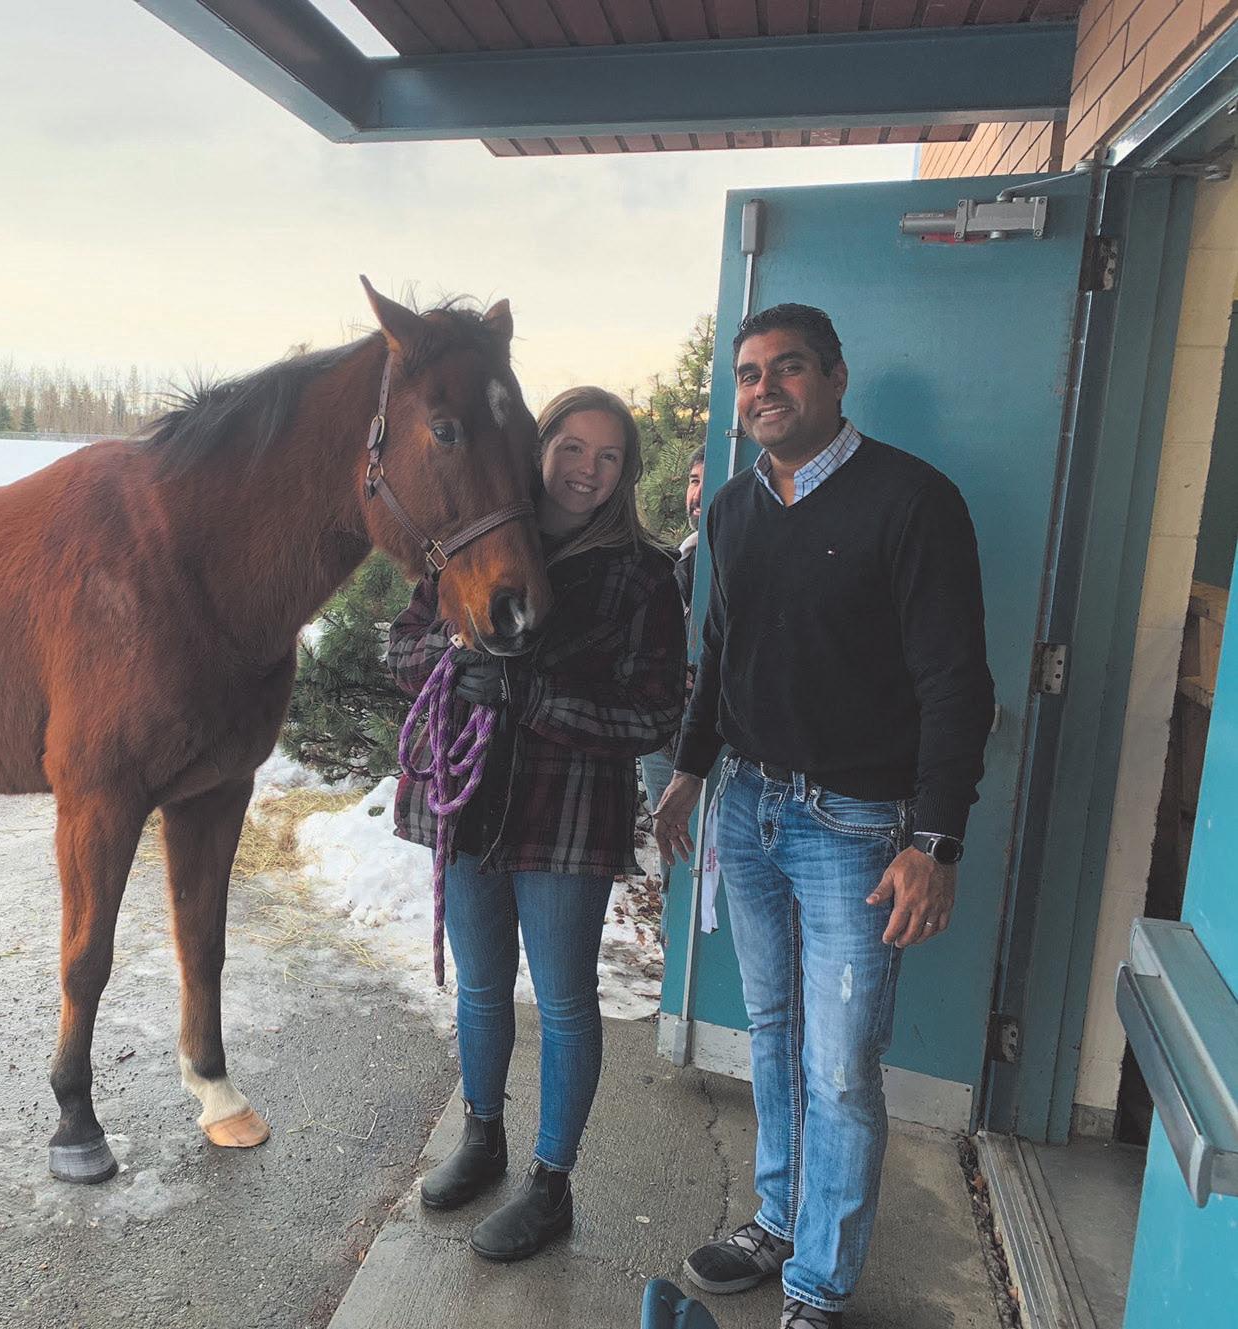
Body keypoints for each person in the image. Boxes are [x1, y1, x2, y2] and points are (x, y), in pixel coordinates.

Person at [654, 305, 994, 1329]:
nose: (765, 389)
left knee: (840, 1068)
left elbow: (956, 683)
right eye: (750, 374)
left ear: (836, 378)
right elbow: (721, 650)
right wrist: (689, 770)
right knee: (770, 1030)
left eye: (788, 368)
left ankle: (818, 1285)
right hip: (748, 808)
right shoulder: (732, 509)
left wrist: (933, 840)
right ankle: (777, 1219)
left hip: (855, 825)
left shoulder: (913, 502)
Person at [387, 385, 686, 1262]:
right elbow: (400, 646)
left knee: (563, 1001)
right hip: (469, 805)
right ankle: (483, 1137)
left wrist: (533, 696)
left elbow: (653, 713)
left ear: (626, 472)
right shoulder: (471, 538)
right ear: (540, 446)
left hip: (565, 819)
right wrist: (452, 657)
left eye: (609, 456)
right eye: (572, 447)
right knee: (481, 987)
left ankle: (551, 1184)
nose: (588, 469)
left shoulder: (641, 575)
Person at [638, 445, 705, 830]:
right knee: (672, 846)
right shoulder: (677, 561)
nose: (698, 493)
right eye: (693, 481)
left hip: (712, 743)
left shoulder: (738, 559)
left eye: (708, 481)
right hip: (662, 741)